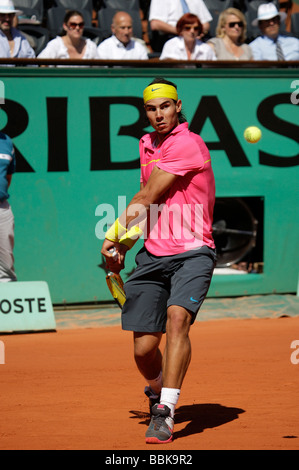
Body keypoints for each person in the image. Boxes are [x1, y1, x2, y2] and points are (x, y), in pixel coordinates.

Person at [101, 78, 216, 444]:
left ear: (178, 106)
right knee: (144, 349)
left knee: (178, 318)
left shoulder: (188, 143)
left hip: (194, 251)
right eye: (151, 109)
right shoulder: (147, 143)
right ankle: (156, 390)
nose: (158, 114)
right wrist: (129, 241)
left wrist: (113, 235)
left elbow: (149, 193)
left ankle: (165, 412)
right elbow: (154, 203)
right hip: (154, 253)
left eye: (165, 106)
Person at [148, 0, 213, 51]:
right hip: (171, 37)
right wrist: (182, 32)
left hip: (196, 38)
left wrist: (198, 31)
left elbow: (206, 23)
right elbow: (155, 24)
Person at [0, 129, 17, 282]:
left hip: (2, 208)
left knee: (6, 270)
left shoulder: (6, 142)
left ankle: (5, 301)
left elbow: (7, 176)